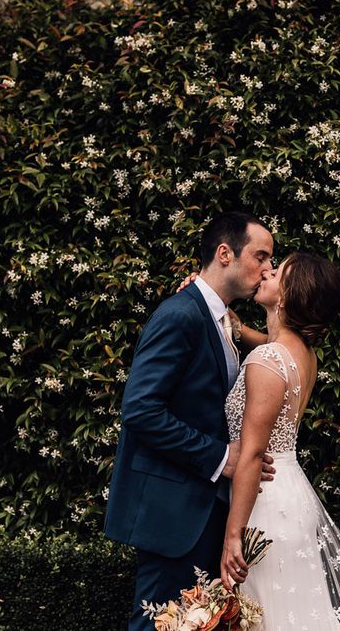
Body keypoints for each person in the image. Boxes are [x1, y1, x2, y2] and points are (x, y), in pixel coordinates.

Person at [104, 212, 276, 631]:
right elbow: (141, 409)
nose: (268, 268)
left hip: (204, 509)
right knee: (157, 625)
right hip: (174, 513)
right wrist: (223, 456)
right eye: (261, 257)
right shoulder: (181, 314)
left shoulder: (220, 320)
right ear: (224, 254)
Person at [220, 251, 340, 630]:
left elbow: (252, 454)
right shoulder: (303, 355)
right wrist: (238, 328)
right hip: (292, 496)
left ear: (288, 294)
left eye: (278, 270)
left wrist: (232, 537)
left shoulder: (267, 362)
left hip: (263, 500)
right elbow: (270, 346)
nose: (267, 271)